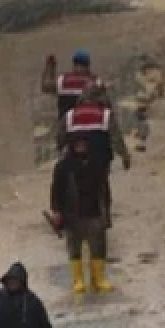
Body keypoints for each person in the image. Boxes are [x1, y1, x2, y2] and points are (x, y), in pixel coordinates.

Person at [57, 80, 131, 227]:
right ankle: (106, 217)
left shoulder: (70, 115)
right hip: (100, 161)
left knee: (62, 179)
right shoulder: (106, 115)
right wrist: (125, 157)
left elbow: (60, 139)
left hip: (74, 161)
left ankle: (59, 213)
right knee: (103, 184)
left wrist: (62, 149)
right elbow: (117, 139)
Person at [50, 133, 114, 294]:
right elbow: (55, 191)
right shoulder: (63, 166)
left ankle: (98, 278)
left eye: (84, 144)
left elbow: (104, 189)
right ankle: (78, 280)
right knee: (74, 247)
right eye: (78, 144)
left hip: (94, 212)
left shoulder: (96, 164)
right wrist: (56, 211)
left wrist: (106, 211)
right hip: (72, 214)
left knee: (98, 246)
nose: (81, 147)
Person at [42, 50, 96, 120]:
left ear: (74, 64)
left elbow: (45, 86)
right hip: (89, 126)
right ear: (88, 66)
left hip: (66, 127)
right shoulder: (94, 81)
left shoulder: (62, 81)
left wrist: (50, 66)